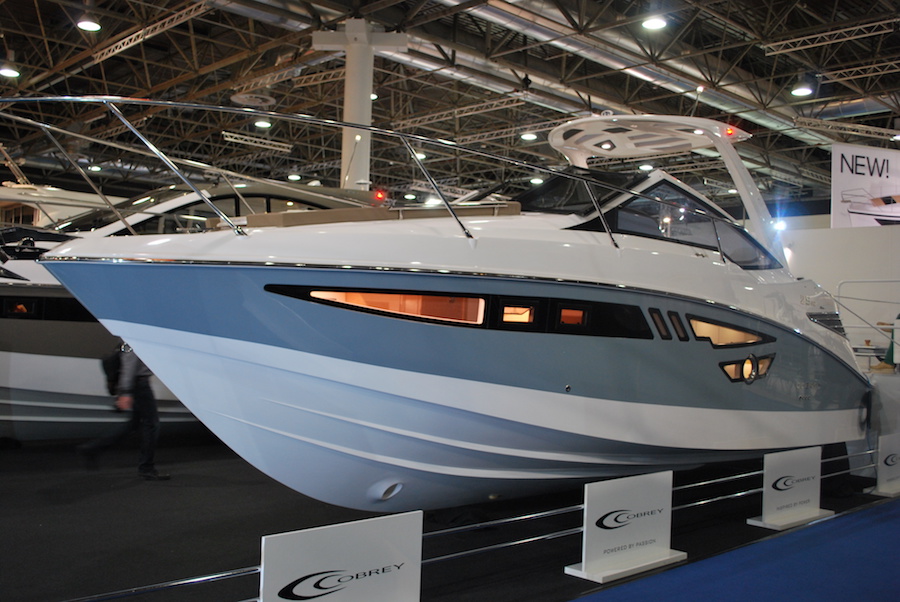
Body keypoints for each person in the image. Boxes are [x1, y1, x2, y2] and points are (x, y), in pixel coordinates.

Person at [77, 343, 171, 480]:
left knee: (134, 424)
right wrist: (125, 392)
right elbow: (129, 364)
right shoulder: (133, 340)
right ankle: (146, 468)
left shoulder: (134, 339)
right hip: (139, 385)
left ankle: (93, 448)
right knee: (151, 425)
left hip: (138, 383)